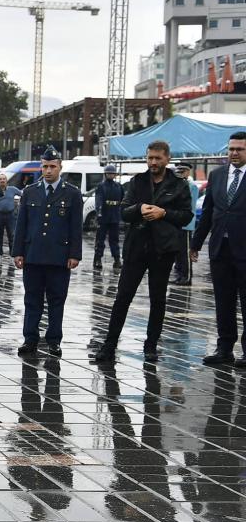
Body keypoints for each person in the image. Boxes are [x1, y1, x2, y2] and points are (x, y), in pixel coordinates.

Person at [92, 140, 192, 363]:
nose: (153, 162)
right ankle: (109, 345)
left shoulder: (178, 185)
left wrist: (163, 212)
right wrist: (139, 208)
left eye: (158, 158)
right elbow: (124, 211)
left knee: (158, 299)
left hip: (162, 250)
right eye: (150, 158)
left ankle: (151, 346)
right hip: (137, 247)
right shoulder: (136, 182)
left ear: (167, 159)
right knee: (123, 296)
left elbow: (186, 216)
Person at [12, 148, 83, 356]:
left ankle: (54, 340)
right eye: (45, 166)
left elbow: (75, 227)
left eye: (53, 166)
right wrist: (18, 252)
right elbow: (21, 224)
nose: (48, 170)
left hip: (59, 256)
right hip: (33, 254)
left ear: (60, 167)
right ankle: (30, 339)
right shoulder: (30, 191)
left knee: (56, 299)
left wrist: (74, 254)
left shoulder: (72, 193)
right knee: (32, 299)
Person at [192, 131, 246, 366]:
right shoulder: (217, 175)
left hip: (245, 250)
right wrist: (195, 244)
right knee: (223, 301)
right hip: (220, 250)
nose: (234, 153)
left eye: (240, 149)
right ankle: (224, 349)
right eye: (231, 149)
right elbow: (208, 214)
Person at [93, 164, 124, 270]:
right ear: (105, 174)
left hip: (114, 216)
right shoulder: (101, 186)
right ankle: (97, 259)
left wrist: (122, 214)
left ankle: (117, 259)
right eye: (109, 173)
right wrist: (99, 212)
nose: (111, 175)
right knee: (100, 240)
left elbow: (122, 200)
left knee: (114, 240)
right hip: (104, 216)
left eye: (112, 173)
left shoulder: (118, 186)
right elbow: (99, 199)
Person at [171, 162, 198, 286]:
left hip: (186, 223)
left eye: (183, 171)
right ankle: (179, 275)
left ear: (188, 172)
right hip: (176, 222)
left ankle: (186, 277)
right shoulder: (176, 184)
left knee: (185, 252)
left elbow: (187, 204)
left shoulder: (191, 186)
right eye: (178, 171)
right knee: (177, 251)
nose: (180, 173)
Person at [0, 172, 22, 261]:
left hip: (11, 215)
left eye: (4, 179)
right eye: (0, 179)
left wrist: (19, 205)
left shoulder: (12, 189)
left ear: (6, 181)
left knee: (12, 234)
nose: (2, 180)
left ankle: (12, 253)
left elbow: (23, 194)